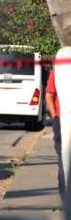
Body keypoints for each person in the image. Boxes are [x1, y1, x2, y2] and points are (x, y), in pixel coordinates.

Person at [46, 69, 65, 201]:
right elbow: (49, 95)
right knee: (64, 161)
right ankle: (65, 198)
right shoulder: (59, 72)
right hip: (62, 122)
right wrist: (55, 118)